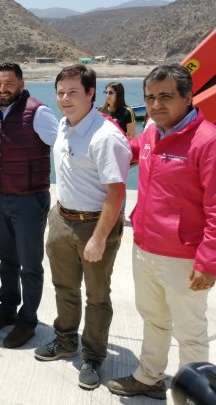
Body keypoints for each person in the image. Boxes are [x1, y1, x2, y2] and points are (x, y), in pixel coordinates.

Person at [107, 65, 216, 399]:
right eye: (150, 98)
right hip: (145, 247)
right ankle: (150, 376)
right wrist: (98, 126)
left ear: (188, 96)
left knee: (190, 332)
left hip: (184, 257)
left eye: (165, 97)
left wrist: (208, 261)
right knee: (153, 319)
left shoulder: (208, 141)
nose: (155, 105)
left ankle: (197, 395)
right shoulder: (153, 134)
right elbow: (130, 151)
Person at [34, 64, 131, 390]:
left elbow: (116, 194)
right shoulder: (63, 125)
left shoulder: (106, 137)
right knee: (64, 287)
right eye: (60, 92)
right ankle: (65, 340)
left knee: (98, 296)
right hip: (62, 218)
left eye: (73, 92)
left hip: (94, 225)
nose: (65, 99)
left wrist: (100, 238)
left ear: (91, 93)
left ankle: (92, 355)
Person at [0, 63, 59, 347]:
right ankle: (7, 309)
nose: (3, 89)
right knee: (7, 259)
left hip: (29, 199)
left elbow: (63, 149)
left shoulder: (38, 112)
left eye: (9, 84)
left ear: (21, 83)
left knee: (30, 264)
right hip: (0, 196)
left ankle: (28, 320)